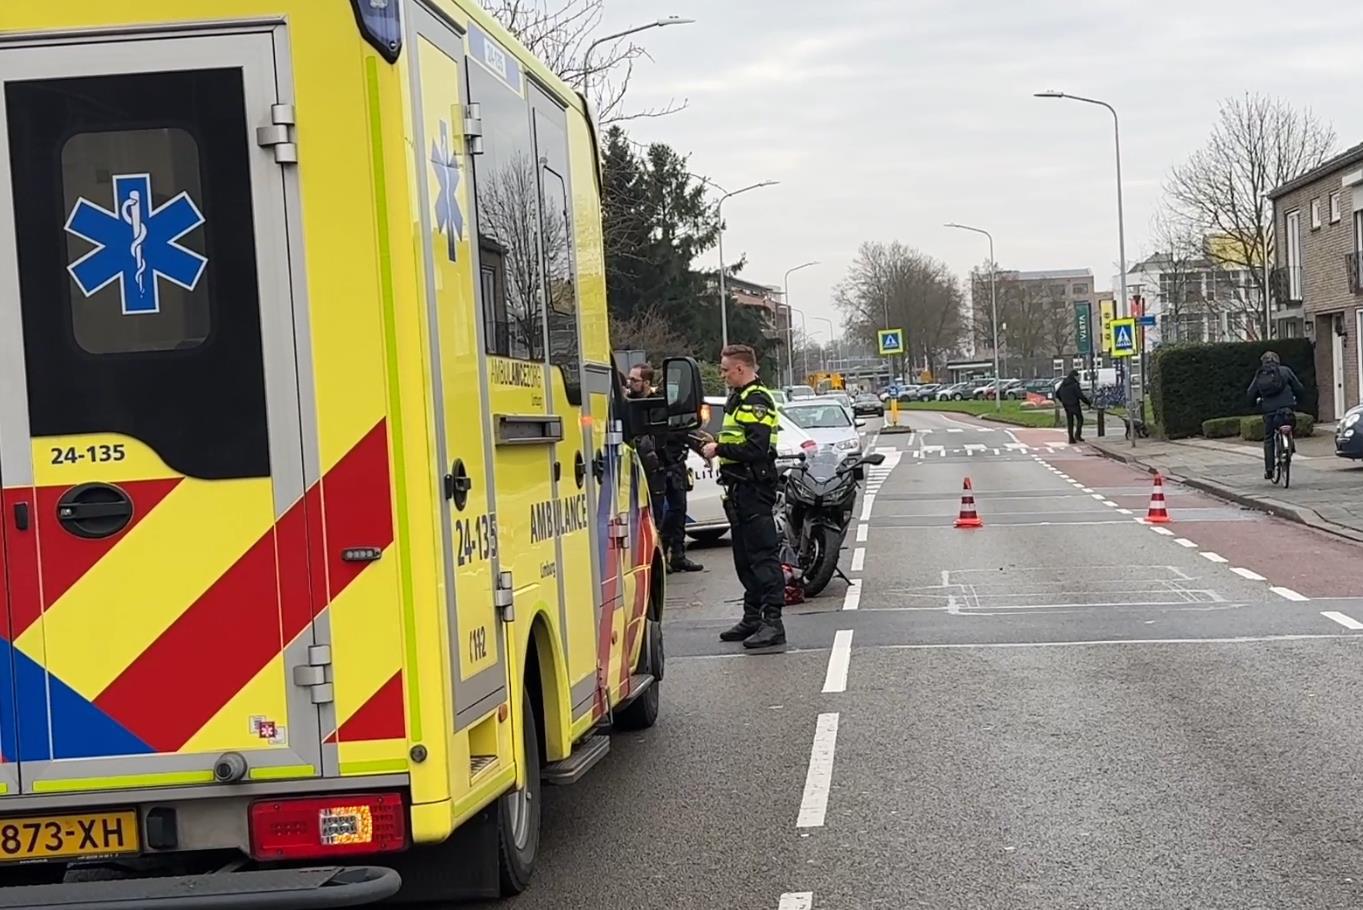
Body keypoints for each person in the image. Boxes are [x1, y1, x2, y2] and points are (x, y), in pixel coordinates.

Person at [701, 344, 786, 650]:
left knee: (763, 556)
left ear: (740, 368)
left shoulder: (757, 399)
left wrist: (719, 449)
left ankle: (772, 622)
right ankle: (752, 617)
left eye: (725, 370)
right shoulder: (738, 398)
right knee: (744, 558)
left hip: (754, 488)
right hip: (739, 488)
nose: (722, 375)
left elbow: (757, 448)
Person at [627, 362, 706, 573]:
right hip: (652, 468)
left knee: (678, 510)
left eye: (634, 380)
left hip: (673, 462)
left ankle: (678, 555)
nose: (630, 383)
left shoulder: (660, 404)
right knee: (657, 514)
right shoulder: (629, 406)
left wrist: (700, 447)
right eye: (629, 379)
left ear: (646, 382)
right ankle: (660, 556)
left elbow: (680, 430)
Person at [1247, 351, 1304, 480]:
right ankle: (1290, 448)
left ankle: (1269, 469)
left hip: (1269, 411)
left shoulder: (1260, 374)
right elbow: (1298, 387)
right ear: (1278, 361)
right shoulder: (1286, 371)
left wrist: (1253, 405)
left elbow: (1251, 393)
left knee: (1268, 438)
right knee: (1289, 423)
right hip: (1286, 408)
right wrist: (1299, 400)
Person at [1055, 370, 1092, 444]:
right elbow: (1080, 395)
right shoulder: (1074, 384)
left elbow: (1057, 393)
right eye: (1078, 376)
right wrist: (1088, 403)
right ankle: (1077, 435)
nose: (1078, 378)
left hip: (1066, 405)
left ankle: (1071, 438)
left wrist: (1063, 400)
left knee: (1070, 421)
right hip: (1074, 404)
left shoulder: (1063, 383)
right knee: (1080, 419)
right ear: (1075, 376)